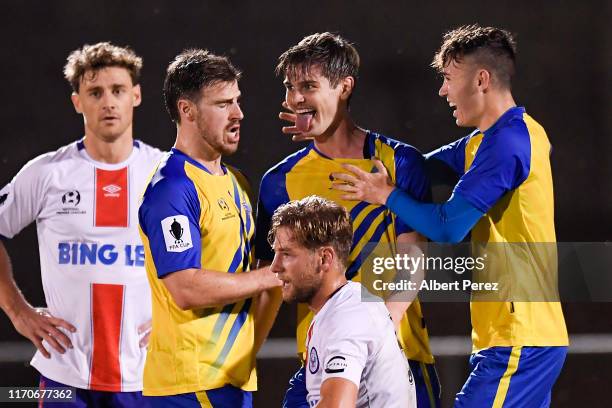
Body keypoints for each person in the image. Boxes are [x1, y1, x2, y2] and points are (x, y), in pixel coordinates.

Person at [332, 24, 568, 407]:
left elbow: (447, 227)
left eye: (447, 78)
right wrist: (343, 137)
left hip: (519, 339)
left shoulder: (508, 143)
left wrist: (385, 194)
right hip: (520, 338)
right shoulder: (495, 138)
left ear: (482, 79)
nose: (442, 90)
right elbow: (418, 169)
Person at [255, 32, 440, 407]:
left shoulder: (398, 162)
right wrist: (243, 358)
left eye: (308, 85)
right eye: (290, 87)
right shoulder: (278, 182)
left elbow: (413, 260)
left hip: (399, 355)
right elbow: (271, 281)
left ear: (344, 86)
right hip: (320, 363)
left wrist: (378, 329)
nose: (296, 98)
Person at [0, 42, 162, 406]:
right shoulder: (47, 173)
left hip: (149, 375)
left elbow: (220, 243)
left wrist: (182, 318)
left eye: (118, 90)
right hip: (64, 379)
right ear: (77, 101)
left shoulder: (165, 173)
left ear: (135, 96)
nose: (108, 102)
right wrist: (18, 311)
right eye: (95, 92)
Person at [138, 49, 282, 407]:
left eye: (237, 102)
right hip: (190, 385)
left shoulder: (239, 183)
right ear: (187, 110)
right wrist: (272, 276)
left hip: (230, 380)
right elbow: (185, 287)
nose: (238, 115)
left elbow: (265, 281)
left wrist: (245, 355)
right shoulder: (171, 188)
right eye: (222, 104)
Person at [268, 195, 416, 408]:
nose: (275, 266)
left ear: (324, 258)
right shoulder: (343, 306)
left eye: (287, 254)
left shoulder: (347, 317)